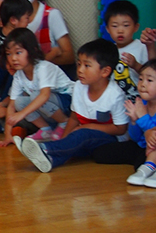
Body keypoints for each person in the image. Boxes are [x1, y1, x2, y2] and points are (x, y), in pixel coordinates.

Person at [17, 38, 127, 172]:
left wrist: (88, 127)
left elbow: (121, 129)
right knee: (74, 142)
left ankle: (45, 148)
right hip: (86, 136)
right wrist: (64, 140)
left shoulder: (115, 95)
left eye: (87, 66)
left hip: (110, 141)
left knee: (82, 135)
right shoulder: (79, 87)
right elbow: (74, 118)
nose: (80, 70)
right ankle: (51, 160)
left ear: (105, 71)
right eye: (79, 64)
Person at [0, 28, 74, 148]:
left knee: (35, 96)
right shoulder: (19, 75)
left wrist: (21, 114)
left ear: (32, 51)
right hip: (51, 107)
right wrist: (7, 135)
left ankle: (64, 122)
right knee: (19, 102)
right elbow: (12, 106)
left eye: (18, 52)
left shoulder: (43, 68)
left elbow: (44, 95)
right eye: (9, 54)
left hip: (68, 102)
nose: (13, 58)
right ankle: (46, 130)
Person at [92, 60, 156, 185]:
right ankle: (149, 166)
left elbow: (152, 134)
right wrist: (134, 120)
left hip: (151, 149)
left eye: (149, 81)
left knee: (140, 162)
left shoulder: (142, 109)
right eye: (141, 79)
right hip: (143, 146)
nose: (142, 84)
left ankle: (148, 167)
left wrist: (142, 118)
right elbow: (136, 138)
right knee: (100, 154)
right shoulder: (140, 104)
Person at [8, 0, 75, 75]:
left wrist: (37, 63)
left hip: (50, 76)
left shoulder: (51, 15)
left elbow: (69, 56)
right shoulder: (11, 18)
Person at [103, 0, 155, 101]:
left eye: (126, 25)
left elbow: (152, 74)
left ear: (136, 27)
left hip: (138, 99)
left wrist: (135, 65)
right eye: (114, 26)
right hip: (115, 101)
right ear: (108, 29)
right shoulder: (108, 50)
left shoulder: (142, 47)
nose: (120, 30)